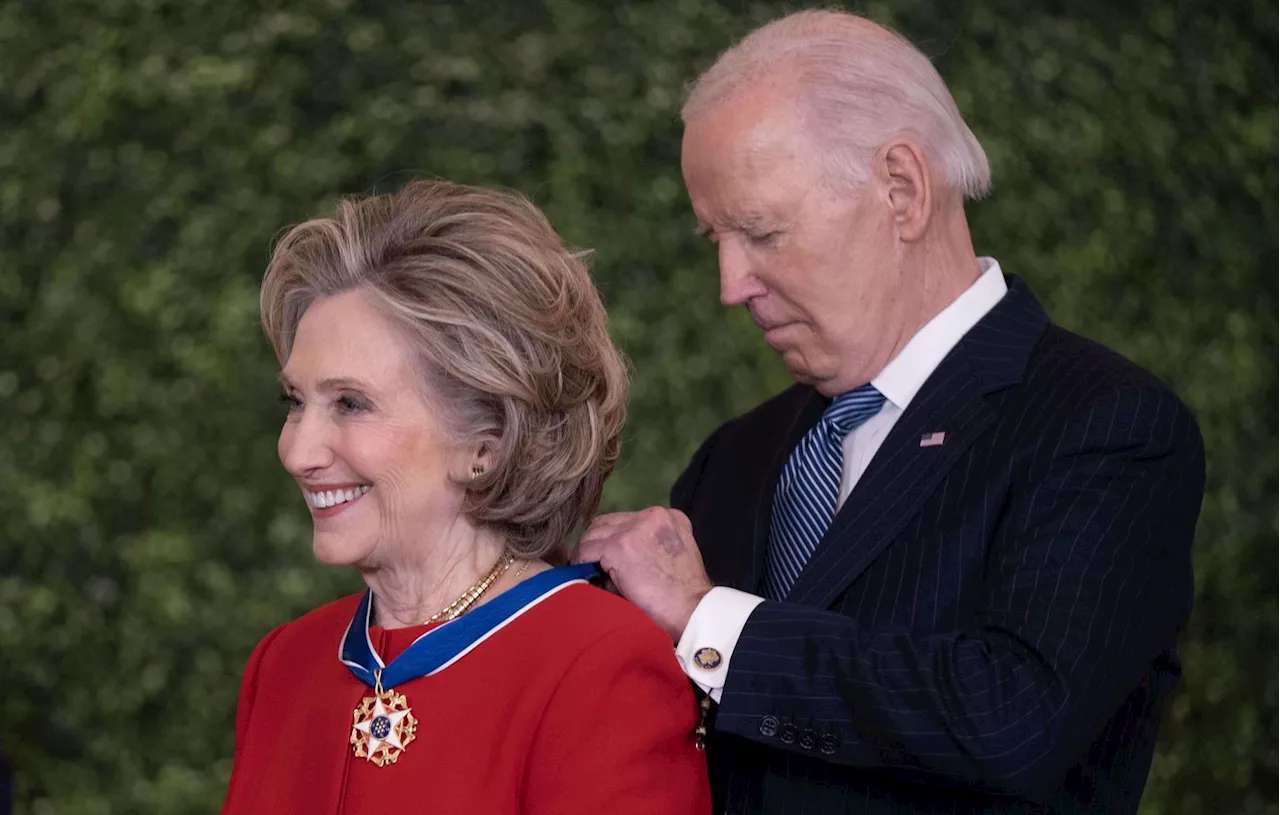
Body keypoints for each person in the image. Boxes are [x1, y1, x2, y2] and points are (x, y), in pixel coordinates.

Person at [576, 10, 1205, 815]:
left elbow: (1014, 718)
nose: (731, 285)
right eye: (716, 240)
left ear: (901, 189)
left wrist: (708, 619)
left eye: (761, 231)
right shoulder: (737, 455)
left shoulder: (1106, 426)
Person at [220, 180, 710, 815]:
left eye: (351, 403)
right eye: (296, 402)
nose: (298, 450)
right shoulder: (285, 663)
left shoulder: (598, 664)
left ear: (488, 442)